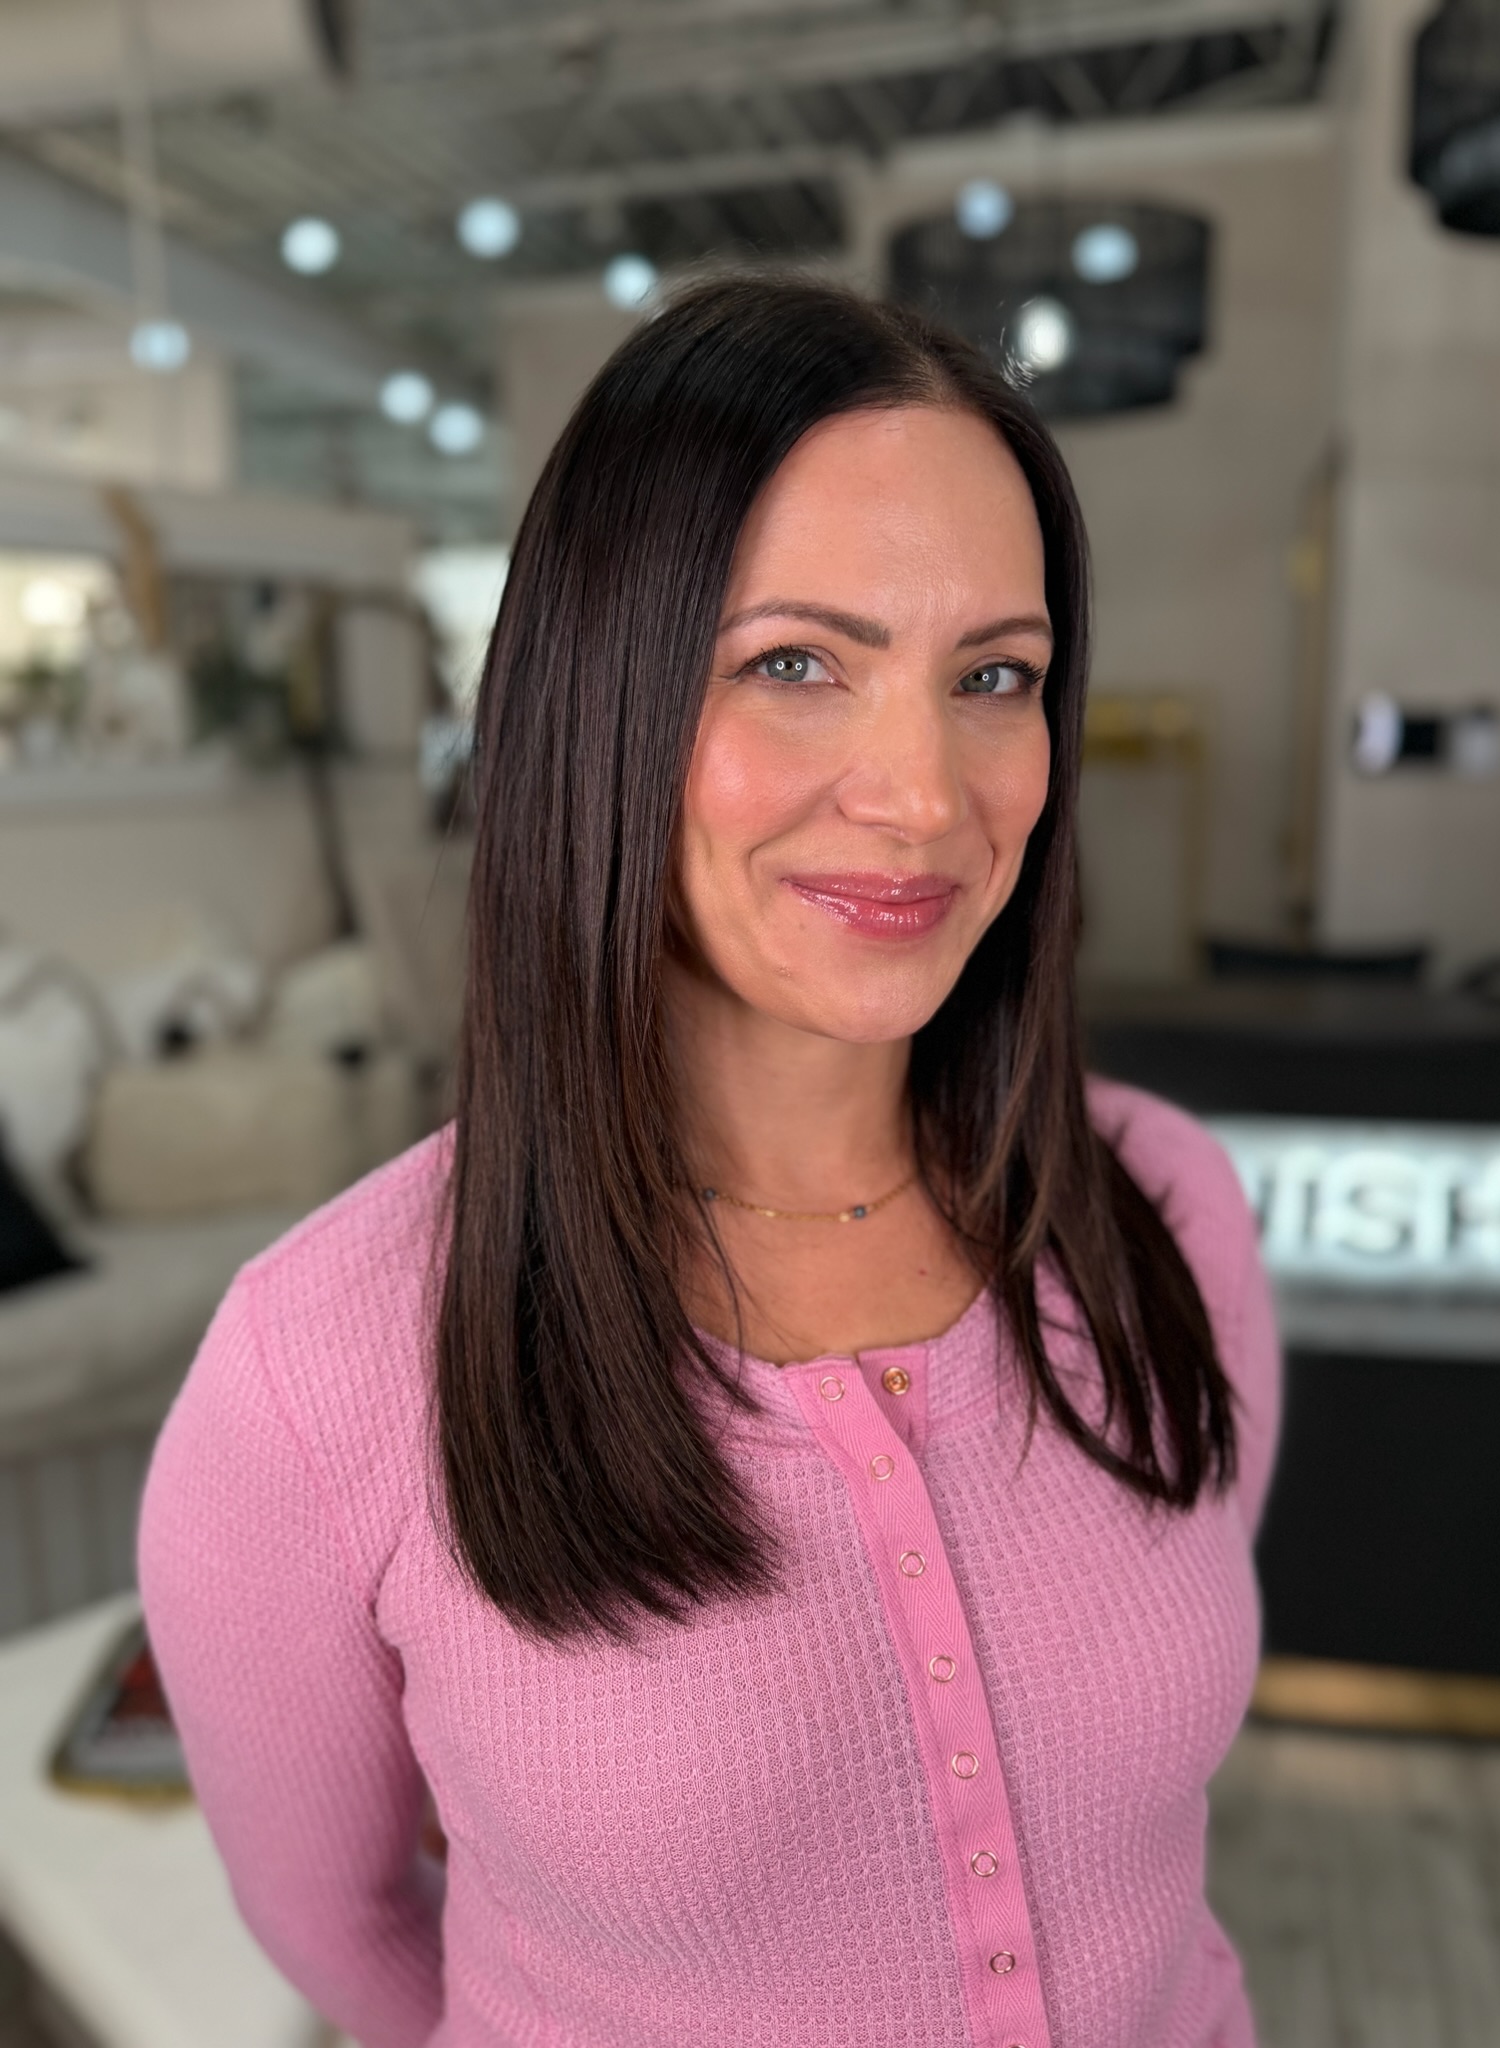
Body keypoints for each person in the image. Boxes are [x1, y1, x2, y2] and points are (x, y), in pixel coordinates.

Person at [138, 277, 1280, 2048]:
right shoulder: (321, 1371)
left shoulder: (1166, 1215)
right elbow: (343, 1923)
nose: (921, 791)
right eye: (796, 665)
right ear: (605, 696)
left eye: (995, 676)